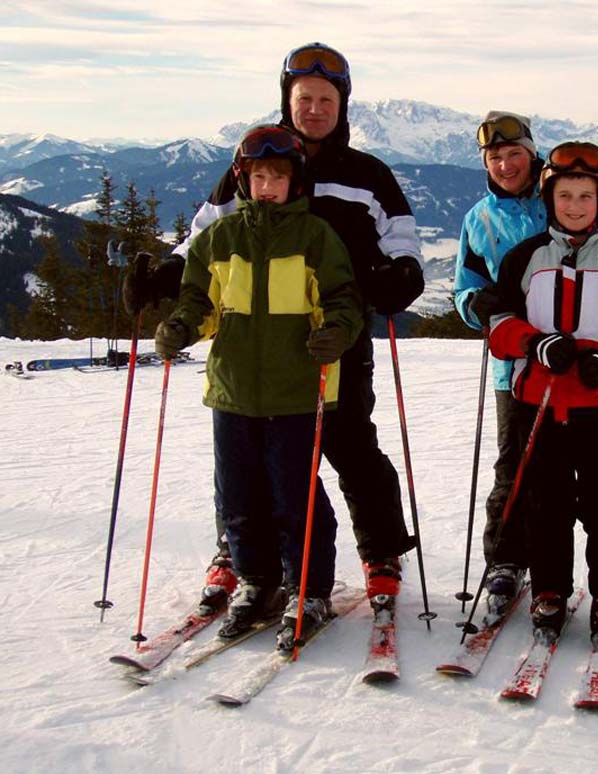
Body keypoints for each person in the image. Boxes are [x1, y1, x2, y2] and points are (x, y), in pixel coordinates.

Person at [124, 43, 424, 613]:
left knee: (352, 447)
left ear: (343, 105)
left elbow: (402, 238)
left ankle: (381, 551)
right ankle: (237, 552)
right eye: (304, 98)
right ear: (288, 101)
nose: (314, 108)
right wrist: (165, 275)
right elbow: (203, 242)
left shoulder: (367, 174)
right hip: (257, 348)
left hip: (335, 338)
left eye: (326, 99)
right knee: (251, 457)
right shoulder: (251, 167)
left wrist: (400, 273)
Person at [452, 112, 598, 617]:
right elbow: (466, 284)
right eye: (496, 157)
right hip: (522, 371)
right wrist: (481, 309)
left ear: (532, 156)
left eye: (515, 155)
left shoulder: (569, 190)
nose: (506, 165)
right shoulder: (479, 219)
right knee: (520, 467)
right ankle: (508, 558)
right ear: (486, 163)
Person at [154, 124, 363, 648]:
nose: (269, 185)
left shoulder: (316, 237)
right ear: (243, 180)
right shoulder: (218, 239)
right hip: (234, 390)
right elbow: (199, 304)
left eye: (279, 176)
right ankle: (258, 581)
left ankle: (309, 588)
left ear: (296, 183)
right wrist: (180, 327)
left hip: (298, 390)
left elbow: (343, 299)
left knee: (296, 495)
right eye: (259, 175)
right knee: (239, 495)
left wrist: (337, 332)